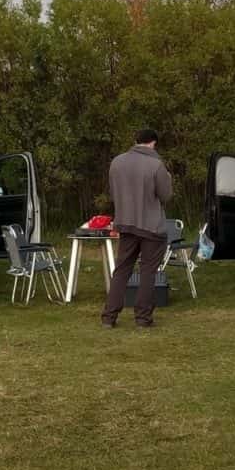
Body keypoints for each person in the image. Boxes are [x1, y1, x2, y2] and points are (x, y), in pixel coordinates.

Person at [102, 128, 174, 328]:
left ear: (136, 141)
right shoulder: (156, 165)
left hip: (126, 223)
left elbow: (113, 193)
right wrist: (168, 177)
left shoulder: (117, 162)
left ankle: (109, 316)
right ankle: (143, 318)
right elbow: (166, 195)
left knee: (121, 270)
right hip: (151, 227)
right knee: (148, 271)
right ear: (153, 143)